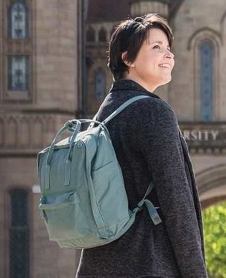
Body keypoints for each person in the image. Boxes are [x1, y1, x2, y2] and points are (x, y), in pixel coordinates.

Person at [76, 14, 208, 277]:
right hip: (146, 264)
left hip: (98, 264)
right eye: (156, 47)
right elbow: (177, 205)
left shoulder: (104, 114)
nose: (168, 55)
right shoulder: (153, 112)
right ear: (127, 58)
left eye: (168, 48)